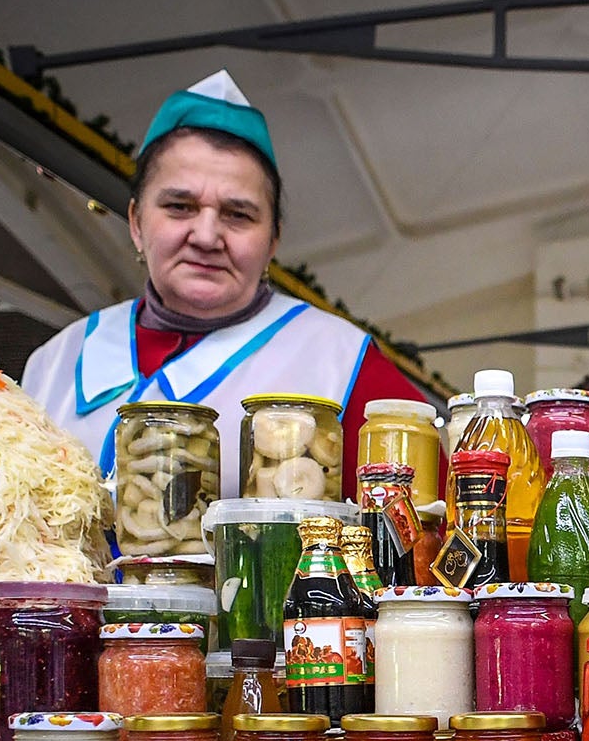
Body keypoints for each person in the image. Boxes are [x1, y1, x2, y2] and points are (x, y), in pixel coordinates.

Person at [24, 70, 425, 495]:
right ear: (136, 222)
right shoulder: (54, 364)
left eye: (238, 215)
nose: (207, 236)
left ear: (274, 240)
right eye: (180, 206)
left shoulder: (341, 363)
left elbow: (432, 528)